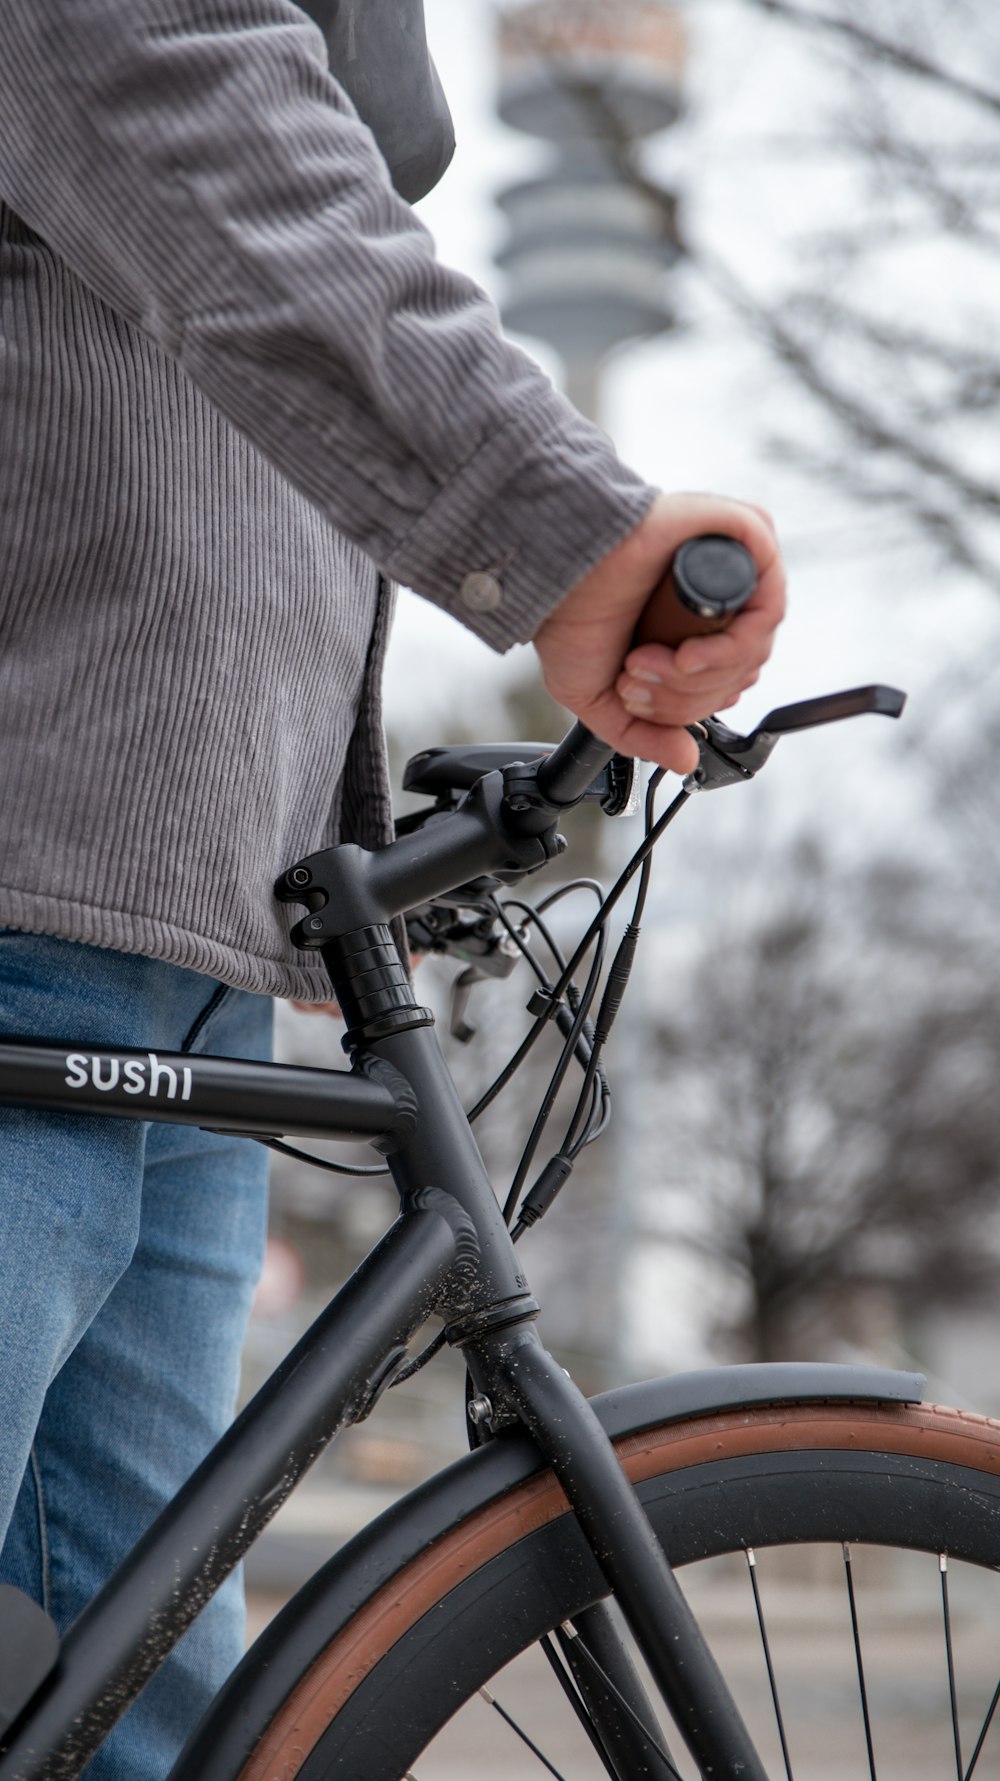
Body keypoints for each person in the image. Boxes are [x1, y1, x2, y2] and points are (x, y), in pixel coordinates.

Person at [0, 3, 786, 1776]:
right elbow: (162, 68)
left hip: (189, 887)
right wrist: (554, 518)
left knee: (146, 1714)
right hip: (39, 837)